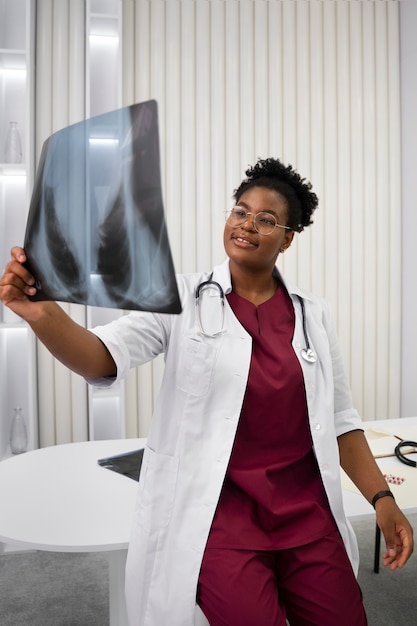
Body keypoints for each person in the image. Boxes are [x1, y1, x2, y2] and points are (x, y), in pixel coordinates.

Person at [0, 157, 413, 626]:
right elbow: (101, 356)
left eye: (266, 219)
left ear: (289, 237)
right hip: (219, 519)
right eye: (240, 211)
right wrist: (43, 316)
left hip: (307, 515)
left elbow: (342, 422)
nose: (247, 224)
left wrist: (383, 500)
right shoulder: (181, 298)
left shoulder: (314, 315)